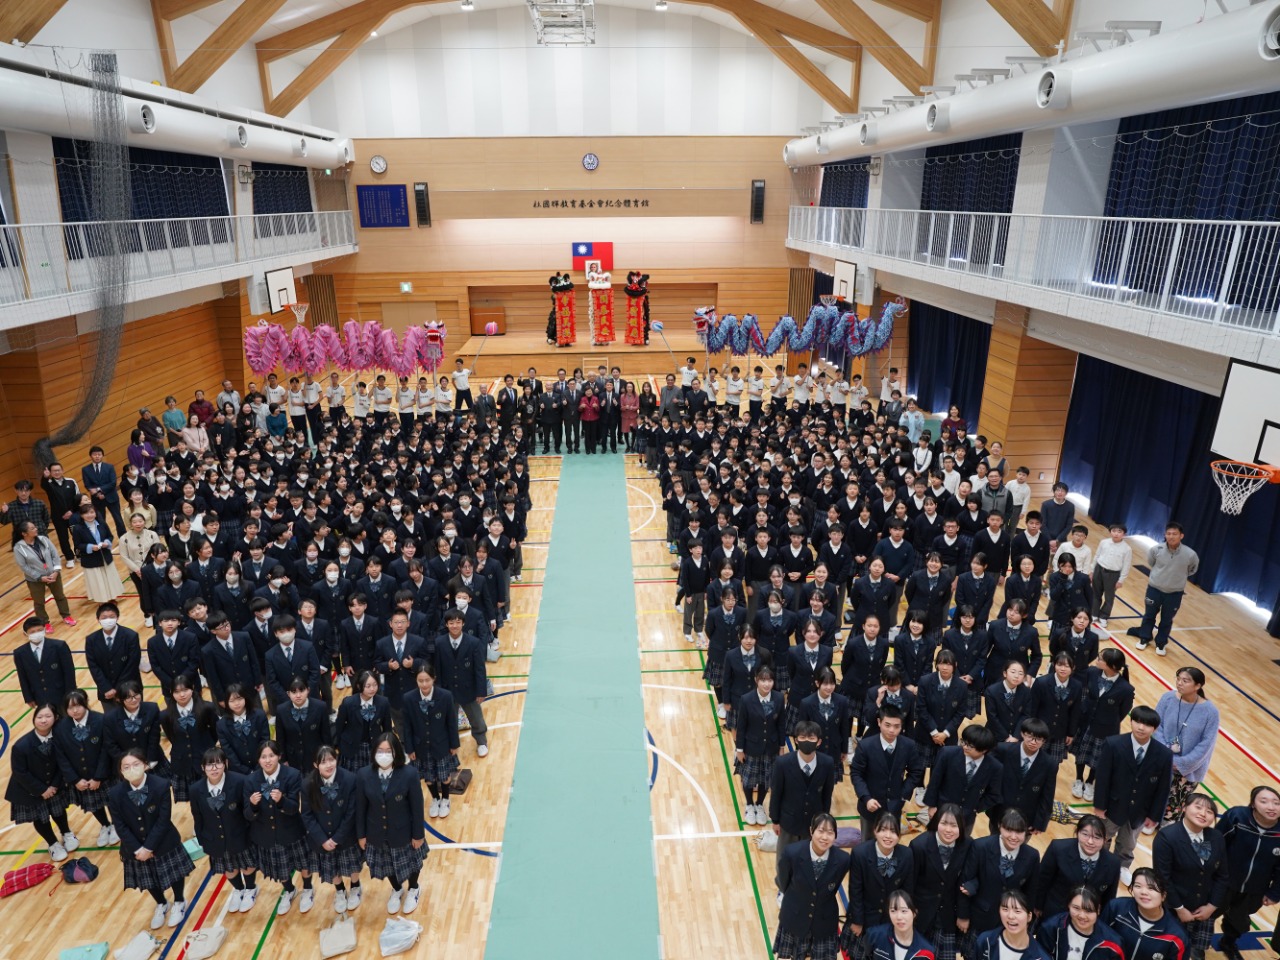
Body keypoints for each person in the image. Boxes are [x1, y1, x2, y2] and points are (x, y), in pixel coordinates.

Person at [108, 748, 195, 930]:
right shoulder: (115, 793)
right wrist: (138, 849)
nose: (131, 769)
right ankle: (161, 903)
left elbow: (163, 820)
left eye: (136, 764)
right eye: (126, 767)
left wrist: (148, 847)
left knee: (174, 874)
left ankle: (179, 901)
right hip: (134, 847)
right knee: (148, 878)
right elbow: (120, 825)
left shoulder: (161, 785)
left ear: (145, 765)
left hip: (163, 841)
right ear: (121, 771)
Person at [1091, 705, 1174, 887]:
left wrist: (1155, 816)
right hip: (1112, 805)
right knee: (1102, 835)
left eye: (1147, 724)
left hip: (1140, 810)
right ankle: (1097, 860)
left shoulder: (1164, 754)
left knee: (1128, 842)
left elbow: (1163, 789)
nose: (1141, 727)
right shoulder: (1113, 743)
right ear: (1131, 721)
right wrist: (1099, 805)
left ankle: (1122, 866)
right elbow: (1103, 777)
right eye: (1137, 722)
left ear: (1155, 729)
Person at [1151, 792, 1230, 960]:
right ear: (1184, 808)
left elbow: (1222, 876)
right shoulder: (1167, 837)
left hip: (1203, 910)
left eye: (1209, 811)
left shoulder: (1216, 837)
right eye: (1198, 807)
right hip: (1172, 907)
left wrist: (1212, 906)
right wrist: (1179, 909)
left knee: (1194, 954)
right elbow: (1163, 878)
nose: (1203, 813)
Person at [356, 733, 426, 915]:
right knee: (387, 866)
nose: (384, 755)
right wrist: (361, 835)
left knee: (412, 864)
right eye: (380, 750)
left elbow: (417, 808)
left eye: (389, 751)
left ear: (396, 752)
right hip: (376, 832)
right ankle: (397, 889)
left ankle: (414, 888)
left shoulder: (409, 774)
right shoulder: (363, 775)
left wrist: (418, 834)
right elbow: (360, 808)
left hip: (404, 831)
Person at [245, 739, 314, 916]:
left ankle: (308, 889)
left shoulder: (292, 775)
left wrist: (282, 800)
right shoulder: (251, 780)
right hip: (267, 834)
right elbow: (248, 815)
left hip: (291, 830)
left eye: (271, 755)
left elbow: (294, 808)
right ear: (258, 760)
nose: (268, 760)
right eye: (263, 757)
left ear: (279, 756)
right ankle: (289, 890)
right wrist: (252, 805)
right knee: (280, 869)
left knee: (304, 864)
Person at [190, 747, 259, 913]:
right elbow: (197, 817)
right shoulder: (195, 789)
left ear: (226, 764)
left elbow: (247, 811)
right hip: (215, 838)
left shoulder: (240, 781)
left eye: (218, 763)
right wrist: (203, 840)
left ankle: (251, 889)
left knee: (247, 865)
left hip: (239, 834)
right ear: (203, 767)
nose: (214, 768)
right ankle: (239, 890)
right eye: (209, 765)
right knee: (229, 868)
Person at [6, 702, 79, 862]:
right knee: (40, 817)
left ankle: (66, 833)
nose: (43, 720)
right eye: (39, 716)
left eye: (48, 716)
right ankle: (53, 844)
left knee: (59, 811)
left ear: (56, 718)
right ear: (34, 719)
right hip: (29, 789)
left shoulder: (60, 739)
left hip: (53, 784)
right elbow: (20, 772)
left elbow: (63, 763)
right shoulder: (21, 746)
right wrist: (41, 790)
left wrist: (54, 785)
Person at [769, 720, 836, 890]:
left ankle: (803, 888)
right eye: (803, 737)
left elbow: (827, 794)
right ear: (796, 740)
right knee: (784, 859)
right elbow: (776, 794)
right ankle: (783, 889)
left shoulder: (827, 763)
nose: (807, 741)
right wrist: (775, 820)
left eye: (811, 738)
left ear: (819, 741)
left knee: (809, 859)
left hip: (813, 824)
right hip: (788, 821)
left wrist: (824, 822)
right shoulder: (783, 763)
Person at [773, 813, 850, 960]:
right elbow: (783, 882)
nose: (825, 837)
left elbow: (833, 887)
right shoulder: (792, 853)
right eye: (821, 831)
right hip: (795, 916)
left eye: (830, 832)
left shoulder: (843, 859)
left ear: (835, 835)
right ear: (811, 831)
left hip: (824, 921)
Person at [1217, 786, 1280, 960]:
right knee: (1207, 913)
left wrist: (1274, 893)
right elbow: (1216, 845)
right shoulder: (1236, 817)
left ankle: (1228, 943)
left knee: (1239, 921)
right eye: (1264, 801)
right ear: (1253, 804)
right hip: (1224, 882)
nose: (1271, 807)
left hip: (1255, 889)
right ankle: (1197, 945)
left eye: (1276, 803)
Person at [842, 813, 915, 958]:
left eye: (893, 831)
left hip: (892, 919)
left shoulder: (906, 854)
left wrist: (903, 920)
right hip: (865, 918)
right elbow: (855, 890)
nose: (888, 836)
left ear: (899, 835)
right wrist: (857, 921)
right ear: (875, 830)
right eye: (883, 830)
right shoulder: (860, 853)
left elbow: (907, 892)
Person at [1154, 666, 1219, 826]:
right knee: (1154, 793)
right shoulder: (1168, 698)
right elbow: (1157, 726)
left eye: (1185, 680)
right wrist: (1166, 755)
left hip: (1189, 768)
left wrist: (1181, 763)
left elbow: (1206, 744)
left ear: (1198, 686)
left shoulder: (1210, 711)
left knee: (1176, 802)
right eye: (1178, 679)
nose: (1179, 683)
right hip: (1162, 759)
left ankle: (1167, 824)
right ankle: (1152, 820)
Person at [849, 703, 924, 838]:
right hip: (870, 806)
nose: (892, 730)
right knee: (868, 843)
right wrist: (866, 798)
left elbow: (916, 771)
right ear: (879, 722)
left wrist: (903, 794)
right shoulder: (865, 746)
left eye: (896, 726)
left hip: (895, 806)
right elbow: (856, 773)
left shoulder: (908, 745)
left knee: (891, 842)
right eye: (887, 725)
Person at [53, 689, 117, 846]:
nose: (75, 710)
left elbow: (106, 750)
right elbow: (61, 757)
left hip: (104, 774)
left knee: (112, 801)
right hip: (81, 777)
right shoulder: (61, 727)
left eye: (78, 706)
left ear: (85, 704)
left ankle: (116, 825)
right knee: (93, 804)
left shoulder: (101, 720)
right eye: (70, 707)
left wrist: (99, 776)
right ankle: (105, 825)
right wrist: (75, 780)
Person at [1071, 649, 1135, 803]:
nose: (1097, 660)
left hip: (1106, 728)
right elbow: (1085, 693)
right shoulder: (1092, 672)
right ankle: (1079, 779)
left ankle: (1090, 782)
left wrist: (1106, 720)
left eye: (1100, 659)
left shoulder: (1126, 689)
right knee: (1081, 752)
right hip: (1085, 721)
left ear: (1112, 666)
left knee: (1097, 757)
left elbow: (1123, 712)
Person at [909, 804, 971, 960]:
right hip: (921, 914)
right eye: (944, 823)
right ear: (936, 822)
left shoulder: (968, 845)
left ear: (961, 826)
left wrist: (963, 914)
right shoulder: (919, 846)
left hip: (949, 915)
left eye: (954, 825)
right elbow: (909, 883)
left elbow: (969, 879)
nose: (948, 830)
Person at [1127, 523, 1199, 655]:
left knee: (1166, 620)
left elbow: (1192, 570)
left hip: (1174, 594)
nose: (1171, 536)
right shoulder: (1156, 550)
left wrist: (1176, 578)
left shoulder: (1190, 554)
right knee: (1149, 615)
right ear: (1165, 535)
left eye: (1174, 534)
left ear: (1181, 536)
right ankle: (1144, 638)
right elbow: (1151, 563)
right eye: (1168, 533)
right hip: (1154, 589)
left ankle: (1161, 643)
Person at [1034, 815, 1122, 918]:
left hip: (1086, 918)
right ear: (1077, 833)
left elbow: (1109, 898)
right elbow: (1042, 881)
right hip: (1055, 912)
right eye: (1085, 834)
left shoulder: (1113, 863)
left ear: (1105, 840)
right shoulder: (1058, 849)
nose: (1090, 842)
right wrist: (1037, 906)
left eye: (1097, 837)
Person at [403, 663, 460, 819]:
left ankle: (446, 799)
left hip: (441, 744)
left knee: (444, 775)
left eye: (427, 680)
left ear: (434, 679)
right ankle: (435, 799)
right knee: (429, 777)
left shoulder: (446, 696)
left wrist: (454, 744)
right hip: (420, 746)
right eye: (420, 681)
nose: (424, 684)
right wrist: (409, 748)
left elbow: (451, 722)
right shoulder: (408, 698)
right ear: (416, 680)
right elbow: (407, 726)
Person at [922, 722, 1001, 832]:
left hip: (966, 818)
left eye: (970, 746)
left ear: (984, 750)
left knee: (963, 841)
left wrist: (975, 808)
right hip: (941, 810)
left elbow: (994, 794)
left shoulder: (995, 767)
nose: (965, 747)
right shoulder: (947, 753)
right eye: (963, 742)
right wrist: (931, 805)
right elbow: (935, 781)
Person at [735, 665, 787, 827]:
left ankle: (759, 805)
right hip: (751, 747)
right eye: (763, 680)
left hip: (771, 747)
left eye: (770, 680)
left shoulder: (779, 698)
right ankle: (749, 805)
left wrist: (781, 746)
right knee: (749, 779)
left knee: (766, 778)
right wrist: (739, 749)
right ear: (756, 680)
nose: (767, 684)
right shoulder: (746, 699)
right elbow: (741, 726)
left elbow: (781, 724)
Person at [435, 607, 490, 758]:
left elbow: (479, 669)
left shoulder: (474, 642)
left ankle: (481, 742)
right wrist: (438, 690)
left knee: (476, 719)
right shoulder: (439, 643)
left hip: (469, 689)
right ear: (446, 624)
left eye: (458, 622)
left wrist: (481, 691)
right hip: (447, 690)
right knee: (448, 720)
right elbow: (437, 669)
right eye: (451, 623)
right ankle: (451, 744)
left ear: (463, 623)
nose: (455, 625)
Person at [1101, 868, 1189, 960]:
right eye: (1138, 886)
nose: (1143, 892)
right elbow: (1097, 939)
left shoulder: (1177, 936)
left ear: (1163, 896)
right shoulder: (1116, 908)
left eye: (1151, 888)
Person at [990, 717, 1057, 835]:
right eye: (1030, 736)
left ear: (1044, 741)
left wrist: (1040, 823)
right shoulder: (1003, 750)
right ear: (1022, 734)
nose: (1033, 742)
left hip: (1026, 819)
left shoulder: (1050, 763)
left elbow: (1047, 795)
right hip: (1000, 812)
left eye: (1038, 739)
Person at [159, 674, 218, 802]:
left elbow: (215, 732)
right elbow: (172, 737)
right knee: (194, 801)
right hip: (183, 764)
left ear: (192, 688)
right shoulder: (165, 715)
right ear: (171, 693)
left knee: (214, 797)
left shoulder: (207, 708)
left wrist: (206, 746)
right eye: (177, 692)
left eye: (185, 690)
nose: (182, 695)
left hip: (205, 759)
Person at [13, 519, 75, 630]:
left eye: (35, 527)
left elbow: (55, 555)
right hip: (35, 580)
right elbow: (24, 567)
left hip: (53, 574)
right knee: (39, 602)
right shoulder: (19, 548)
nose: (36, 529)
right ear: (24, 533)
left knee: (60, 596)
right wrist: (39, 577)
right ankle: (44, 622)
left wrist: (56, 571)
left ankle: (66, 616)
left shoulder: (44, 539)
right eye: (32, 528)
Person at [1035, 887, 1125, 960]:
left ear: (1098, 910)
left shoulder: (1113, 944)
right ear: (1069, 905)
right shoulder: (1050, 928)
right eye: (1076, 908)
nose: (1082, 916)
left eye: (1088, 911)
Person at [334, 670, 392, 772]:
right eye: (368, 686)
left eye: (375, 685)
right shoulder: (348, 703)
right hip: (352, 747)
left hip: (374, 746)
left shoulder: (383, 702)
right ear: (359, 686)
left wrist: (387, 747)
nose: (372, 689)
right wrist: (340, 746)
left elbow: (387, 729)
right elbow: (339, 727)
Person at [14, 616, 76, 710]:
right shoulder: (20, 653)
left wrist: (71, 694)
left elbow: (69, 672)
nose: (36, 633)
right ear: (25, 634)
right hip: (39, 697)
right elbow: (22, 676)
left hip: (61, 694)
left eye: (39, 630)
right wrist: (28, 697)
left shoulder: (59, 646)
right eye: (32, 632)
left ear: (44, 630)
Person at [862, 890, 937, 960]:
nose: (899, 917)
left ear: (914, 913)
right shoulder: (874, 935)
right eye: (893, 911)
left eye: (904, 911)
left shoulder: (926, 952)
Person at [74, 503, 125, 603]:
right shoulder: (78, 528)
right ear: (81, 515)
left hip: (105, 556)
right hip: (91, 560)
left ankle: (112, 598)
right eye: (86, 513)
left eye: (91, 512)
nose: (89, 515)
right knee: (97, 581)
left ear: (95, 513)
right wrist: (91, 547)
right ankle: (102, 601)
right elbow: (78, 545)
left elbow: (110, 536)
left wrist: (107, 542)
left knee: (109, 578)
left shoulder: (102, 523)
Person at [216, 684, 271, 776]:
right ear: (227, 703)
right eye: (232, 701)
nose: (236, 703)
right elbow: (228, 751)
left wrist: (259, 765)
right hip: (238, 771)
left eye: (239, 699)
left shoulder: (259, 715)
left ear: (245, 698)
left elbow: (265, 740)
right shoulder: (221, 725)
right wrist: (246, 771)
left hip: (263, 765)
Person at [1091, 524, 1132, 627]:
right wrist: (1092, 570)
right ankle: (1094, 613)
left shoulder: (1127, 549)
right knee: (1096, 593)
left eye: (1119, 531)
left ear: (1124, 534)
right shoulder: (1104, 542)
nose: (1116, 534)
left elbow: (1126, 566)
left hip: (1113, 574)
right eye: (1114, 531)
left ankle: (1104, 616)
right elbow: (1097, 555)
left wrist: (1121, 580)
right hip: (1099, 569)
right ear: (1110, 532)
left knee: (1109, 597)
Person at [41, 463, 81, 565]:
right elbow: (43, 485)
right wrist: (45, 477)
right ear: (50, 472)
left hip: (73, 514)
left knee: (77, 535)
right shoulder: (48, 483)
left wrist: (72, 511)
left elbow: (78, 498)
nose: (57, 472)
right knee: (63, 538)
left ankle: (79, 554)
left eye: (58, 470)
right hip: (58, 517)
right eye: (54, 471)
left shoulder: (71, 481)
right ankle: (69, 558)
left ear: (62, 470)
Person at [1, 478, 54, 547]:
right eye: (21, 490)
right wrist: (4, 512)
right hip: (22, 538)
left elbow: (46, 519)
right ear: (16, 491)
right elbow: (4, 522)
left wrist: (41, 529)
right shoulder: (11, 506)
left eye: (26, 491)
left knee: (46, 552)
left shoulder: (39, 503)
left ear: (30, 491)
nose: (23, 493)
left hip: (40, 535)